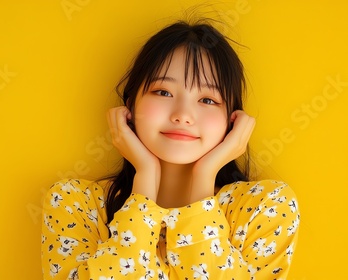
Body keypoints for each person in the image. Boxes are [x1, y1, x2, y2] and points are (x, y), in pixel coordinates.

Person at [41, 19, 300, 280]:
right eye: (163, 92)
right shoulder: (75, 203)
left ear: (232, 119)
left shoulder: (265, 206)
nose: (183, 115)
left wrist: (204, 178)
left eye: (207, 99)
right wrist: (144, 181)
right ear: (130, 106)